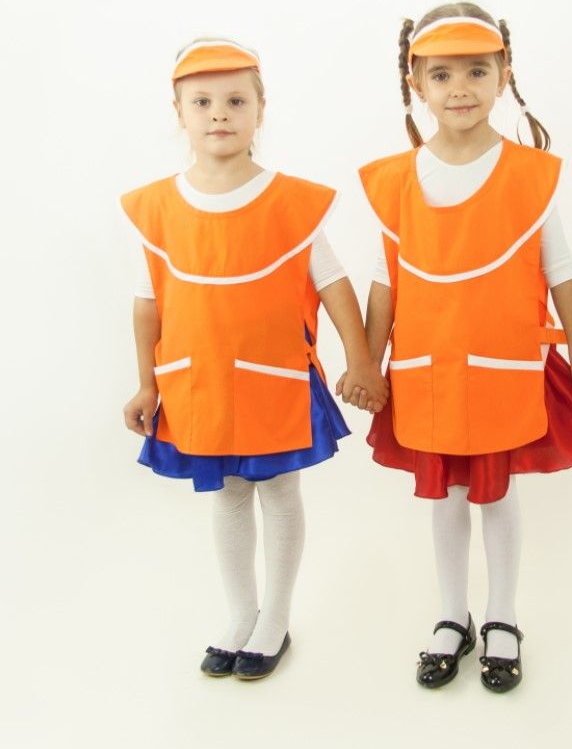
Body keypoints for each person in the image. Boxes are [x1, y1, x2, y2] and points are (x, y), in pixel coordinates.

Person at [358, 4, 572, 693]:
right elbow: (386, 279)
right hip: (427, 370)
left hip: (503, 367)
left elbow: (560, 266)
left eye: (478, 70)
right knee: (446, 498)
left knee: (496, 497)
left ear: (505, 75)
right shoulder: (396, 180)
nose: (461, 88)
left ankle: (503, 616)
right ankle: (453, 615)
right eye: (442, 74)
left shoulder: (530, 174)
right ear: (416, 83)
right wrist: (366, 363)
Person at [121, 38, 387, 681]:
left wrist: (361, 362)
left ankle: (276, 617)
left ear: (260, 110)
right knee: (230, 496)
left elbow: (333, 284)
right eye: (202, 102)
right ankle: (241, 613)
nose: (219, 113)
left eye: (236, 101)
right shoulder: (156, 208)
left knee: (279, 492)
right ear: (179, 113)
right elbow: (148, 304)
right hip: (199, 382)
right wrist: (145, 385)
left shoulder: (290, 203)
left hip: (275, 380)